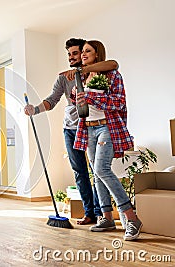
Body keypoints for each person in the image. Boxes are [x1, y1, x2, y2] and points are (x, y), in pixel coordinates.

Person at [24, 38, 118, 225]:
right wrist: (35, 109)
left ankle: (102, 213)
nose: (72, 57)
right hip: (71, 129)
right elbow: (52, 100)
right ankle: (89, 212)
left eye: (76, 53)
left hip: (92, 127)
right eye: (70, 54)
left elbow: (113, 64)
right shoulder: (64, 77)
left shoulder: (96, 71)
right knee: (79, 171)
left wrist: (83, 71)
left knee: (97, 170)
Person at [73, 40, 142, 241]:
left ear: (97, 54)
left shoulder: (112, 75)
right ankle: (107, 218)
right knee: (96, 173)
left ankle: (132, 219)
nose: (83, 54)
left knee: (102, 169)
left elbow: (119, 102)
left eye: (88, 51)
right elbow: (83, 106)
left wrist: (90, 97)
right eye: (82, 51)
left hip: (107, 127)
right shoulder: (84, 77)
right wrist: (78, 97)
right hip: (89, 129)